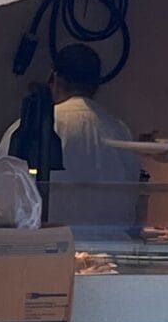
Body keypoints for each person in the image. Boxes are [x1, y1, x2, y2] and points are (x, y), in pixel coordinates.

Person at [44, 42, 144, 231]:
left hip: (55, 247)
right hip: (112, 250)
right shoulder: (120, 131)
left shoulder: (39, 126)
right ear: (96, 86)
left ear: (55, 79)